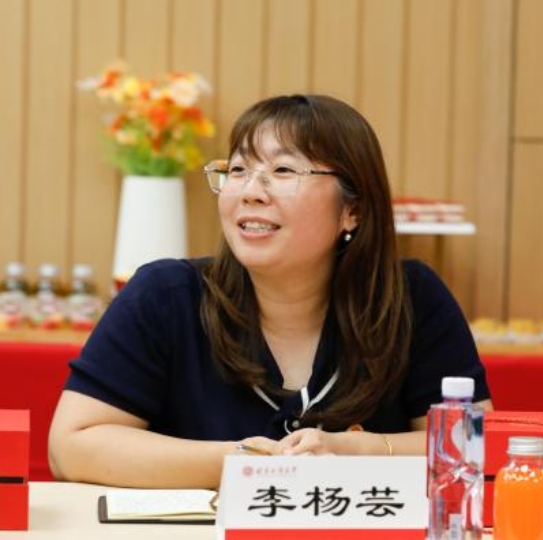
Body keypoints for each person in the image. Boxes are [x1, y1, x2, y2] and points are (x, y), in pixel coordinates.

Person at [48, 94, 492, 488]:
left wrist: (355, 451)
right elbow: (73, 445)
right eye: (238, 169)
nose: (250, 192)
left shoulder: (410, 299)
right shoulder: (166, 295)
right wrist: (245, 463)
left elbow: (476, 444)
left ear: (352, 210)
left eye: (282, 170)